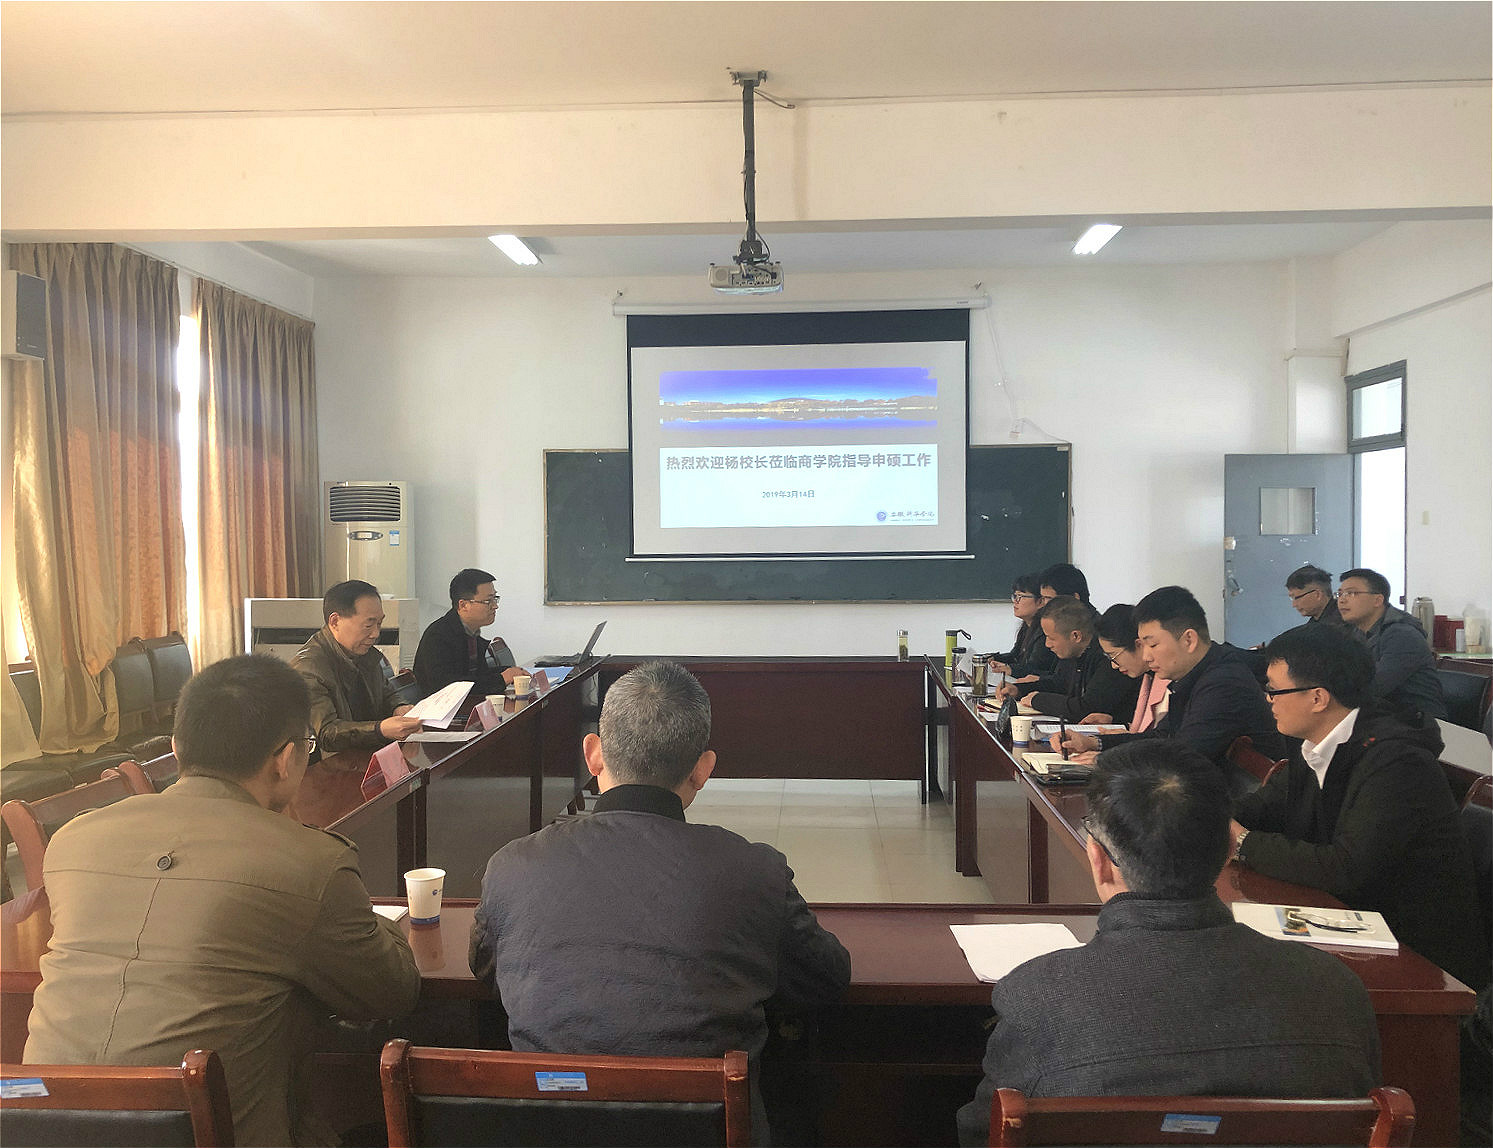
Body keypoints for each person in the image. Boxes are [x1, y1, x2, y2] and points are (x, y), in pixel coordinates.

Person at [24, 655, 421, 1147]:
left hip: (38, 1126)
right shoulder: (308, 862)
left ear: (176, 748)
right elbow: (392, 991)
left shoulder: (73, 839)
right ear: (286, 759)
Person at [470, 660, 851, 1141]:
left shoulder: (513, 865)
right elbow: (827, 976)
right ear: (703, 770)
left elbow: (487, 970)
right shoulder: (754, 871)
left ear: (593, 755)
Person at [955, 740, 1380, 1147]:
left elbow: (980, 1133)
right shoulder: (1336, 989)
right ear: (1229, 849)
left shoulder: (1036, 997)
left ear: (1098, 861)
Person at [1230, 624, 1487, 990]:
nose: (1268, 700)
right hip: (1354, 921)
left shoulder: (1396, 762)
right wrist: (1209, 818)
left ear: (1318, 698)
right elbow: (1264, 806)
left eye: (1274, 690)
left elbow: (1346, 867)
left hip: (1419, 956)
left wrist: (1243, 843)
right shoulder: (1314, 742)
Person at [1057, 586, 1283, 792]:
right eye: (1143, 645)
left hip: (1239, 810)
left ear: (1189, 640)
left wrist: (1106, 760)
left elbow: (1180, 757)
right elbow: (1161, 737)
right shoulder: (1194, 675)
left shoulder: (1224, 683)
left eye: (1153, 644)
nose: (1146, 656)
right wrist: (1095, 743)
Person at [292, 579, 422, 759]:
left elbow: (386, 692)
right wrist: (379, 730)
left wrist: (398, 707)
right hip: (332, 766)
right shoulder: (308, 668)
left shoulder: (364, 653)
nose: (376, 634)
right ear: (335, 621)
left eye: (379, 624)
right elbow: (326, 733)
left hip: (367, 757)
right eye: (368, 625)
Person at [1054, 604, 1171, 762]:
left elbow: (1162, 741)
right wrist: (1114, 723)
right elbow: (1147, 734)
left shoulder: (1168, 680)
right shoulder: (1147, 677)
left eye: (1113, 656)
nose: (1114, 665)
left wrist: (1107, 757)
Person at [1335, 567, 1447, 719]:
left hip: (1418, 723)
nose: (1342, 600)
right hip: (1379, 716)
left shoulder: (1402, 635)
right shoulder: (1356, 633)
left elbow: (1374, 686)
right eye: (1340, 594)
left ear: (1377, 600)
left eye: (1351, 593)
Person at [1010, 597, 1140, 723]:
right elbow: (1058, 684)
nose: (1047, 644)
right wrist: (1019, 690)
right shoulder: (1072, 652)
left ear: (1076, 636)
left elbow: (1086, 708)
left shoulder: (1108, 658)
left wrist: (1037, 700)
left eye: (1051, 638)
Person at [413, 567, 522, 696]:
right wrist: (502, 679)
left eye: (495, 598)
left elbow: (478, 676)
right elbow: (449, 688)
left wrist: (510, 672)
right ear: (463, 605)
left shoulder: (471, 633)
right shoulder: (437, 637)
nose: (495, 606)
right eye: (488, 601)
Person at [988, 572, 1058, 681]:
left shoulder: (1045, 630)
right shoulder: (1026, 626)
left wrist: (1010, 669)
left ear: (1040, 602)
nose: (1016, 601)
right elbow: (1015, 656)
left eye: (1021, 596)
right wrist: (993, 659)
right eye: (1015, 596)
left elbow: (1035, 668)